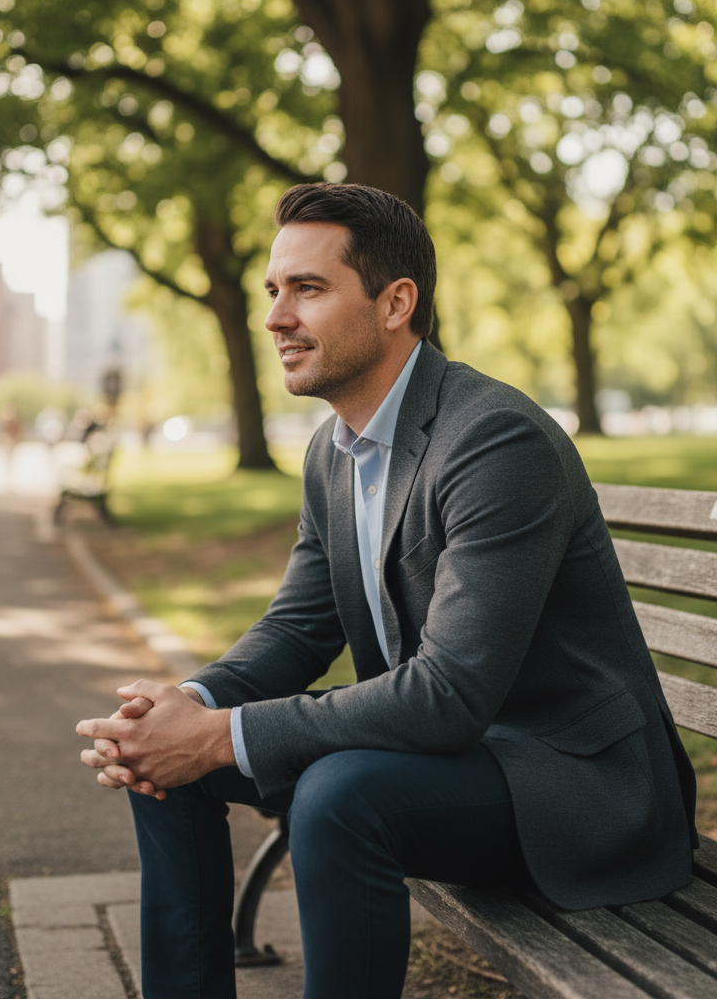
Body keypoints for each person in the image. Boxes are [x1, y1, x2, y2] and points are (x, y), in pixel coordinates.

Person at [76, 184, 697, 999]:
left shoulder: (494, 440)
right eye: (273, 291)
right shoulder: (333, 454)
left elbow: (449, 694)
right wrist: (184, 707)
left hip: (575, 784)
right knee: (163, 754)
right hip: (463, 757)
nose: (274, 318)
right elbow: (297, 632)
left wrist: (221, 733)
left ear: (396, 301)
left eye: (308, 289)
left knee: (339, 795)